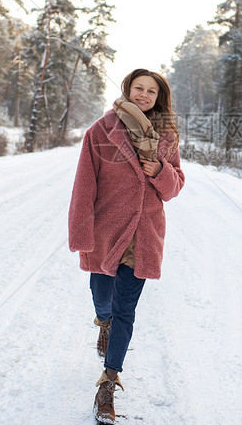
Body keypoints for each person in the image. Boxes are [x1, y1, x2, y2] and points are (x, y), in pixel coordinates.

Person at [68, 68, 185, 424]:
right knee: (102, 296)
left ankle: (109, 380)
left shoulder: (167, 137)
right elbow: (84, 186)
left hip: (145, 233)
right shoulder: (101, 131)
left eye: (152, 91)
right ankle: (101, 321)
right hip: (107, 230)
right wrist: (81, 233)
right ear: (128, 89)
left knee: (125, 310)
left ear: (158, 97)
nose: (145, 95)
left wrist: (160, 171)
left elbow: (176, 185)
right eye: (139, 88)